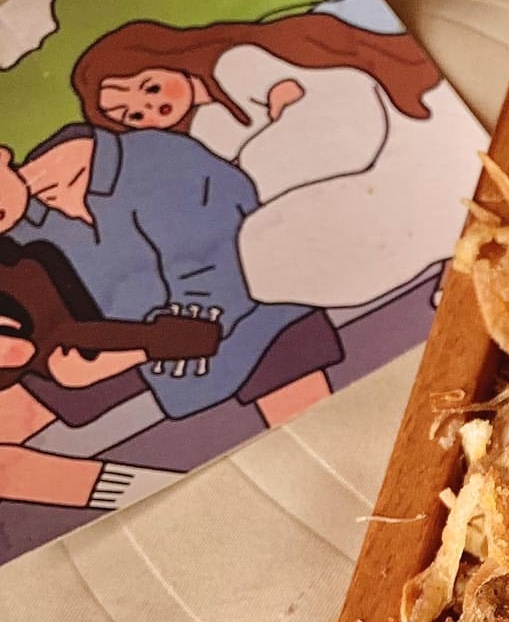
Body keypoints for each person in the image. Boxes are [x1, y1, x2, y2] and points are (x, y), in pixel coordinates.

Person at [0, 125, 341, 515]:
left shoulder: (154, 160)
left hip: (251, 328)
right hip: (125, 348)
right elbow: (48, 327)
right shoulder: (20, 230)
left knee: (320, 469)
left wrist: (140, 349)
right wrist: (55, 362)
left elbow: (220, 275)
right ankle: (148, 497)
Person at [71, 9, 468, 308]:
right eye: (133, 116)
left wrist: (252, 169)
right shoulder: (201, 130)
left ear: (164, 58)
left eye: (151, 87)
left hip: (393, 142)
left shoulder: (236, 62)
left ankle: (453, 252)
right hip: (327, 176)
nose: (151, 108)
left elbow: (342, 121)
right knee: (262, 253)